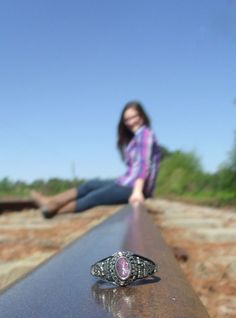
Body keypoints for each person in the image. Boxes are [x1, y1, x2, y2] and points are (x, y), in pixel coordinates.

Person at [31, 101, 160, 218]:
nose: (131, 122)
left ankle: (51, 210)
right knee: (90, 185)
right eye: (127, 120)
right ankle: (51, 202)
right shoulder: (135, 138)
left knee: (93, 197)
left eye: (134, 117)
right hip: (128, 182)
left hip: (135, 187)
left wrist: (137, 192)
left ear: (142, 117)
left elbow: (144, 164)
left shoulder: (144, 134)